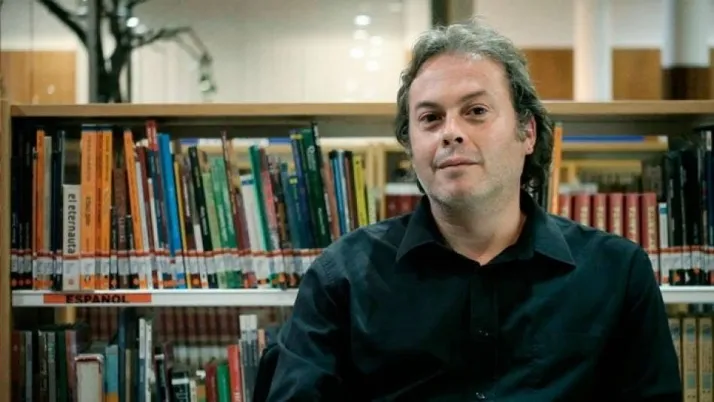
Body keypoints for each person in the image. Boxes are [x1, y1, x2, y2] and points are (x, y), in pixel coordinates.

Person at [265, 18, 682, 402]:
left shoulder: (617, 274)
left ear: (527, 132)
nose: (451, 133)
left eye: (476, 111)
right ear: (410, 147)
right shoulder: (341, 279)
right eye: (430, 118)